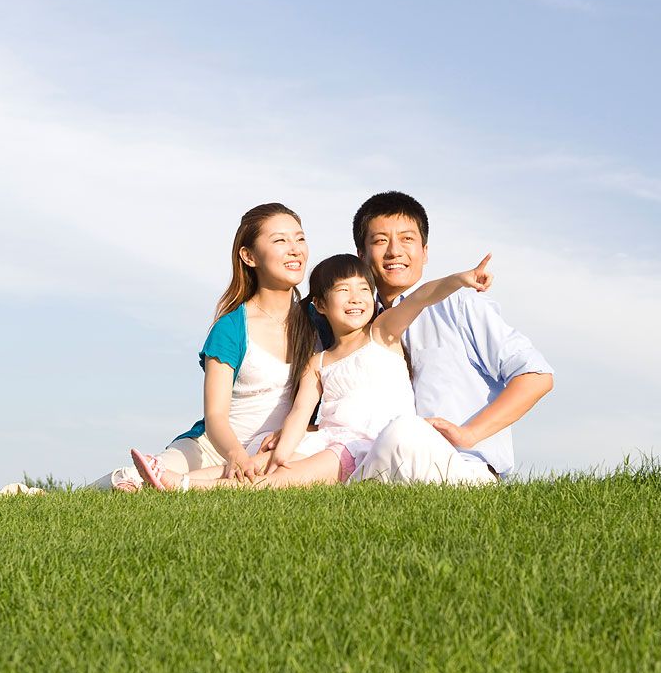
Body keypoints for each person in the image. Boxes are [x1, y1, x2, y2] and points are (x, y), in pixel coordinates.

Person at [134, 249, 494, 491]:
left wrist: (460, 279)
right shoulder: (318, 361)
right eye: (343, 290)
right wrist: (280, 453)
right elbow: (298, 415)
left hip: (363, 446)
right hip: (329, 440)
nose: (356, 298)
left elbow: (421, 296)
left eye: (363, 289)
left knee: (291, 476)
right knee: (267, 462)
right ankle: (177, 477)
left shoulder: (383, 334)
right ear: (320, 304)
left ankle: (187, 487)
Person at [88, 202, 323, 491]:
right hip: (213, 449)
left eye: (300, 238)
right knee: (139, 479)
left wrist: (296, 433)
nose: (295, 249)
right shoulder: (231, 328)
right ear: (249, 256)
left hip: (280, 447)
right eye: (280, 240)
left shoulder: (318, 322)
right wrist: (236, 456)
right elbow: (215, 416)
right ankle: (49, 496)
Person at [348, 191, 554, 485]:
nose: (394, 251)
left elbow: (537, 375)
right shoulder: (358, 324)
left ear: (425, 251)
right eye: (380, 241)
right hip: (386, 464)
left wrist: (470, 433)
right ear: (362, 254)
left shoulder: (459, 306)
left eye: (407, 239)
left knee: (403, 431)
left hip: (460, 467)